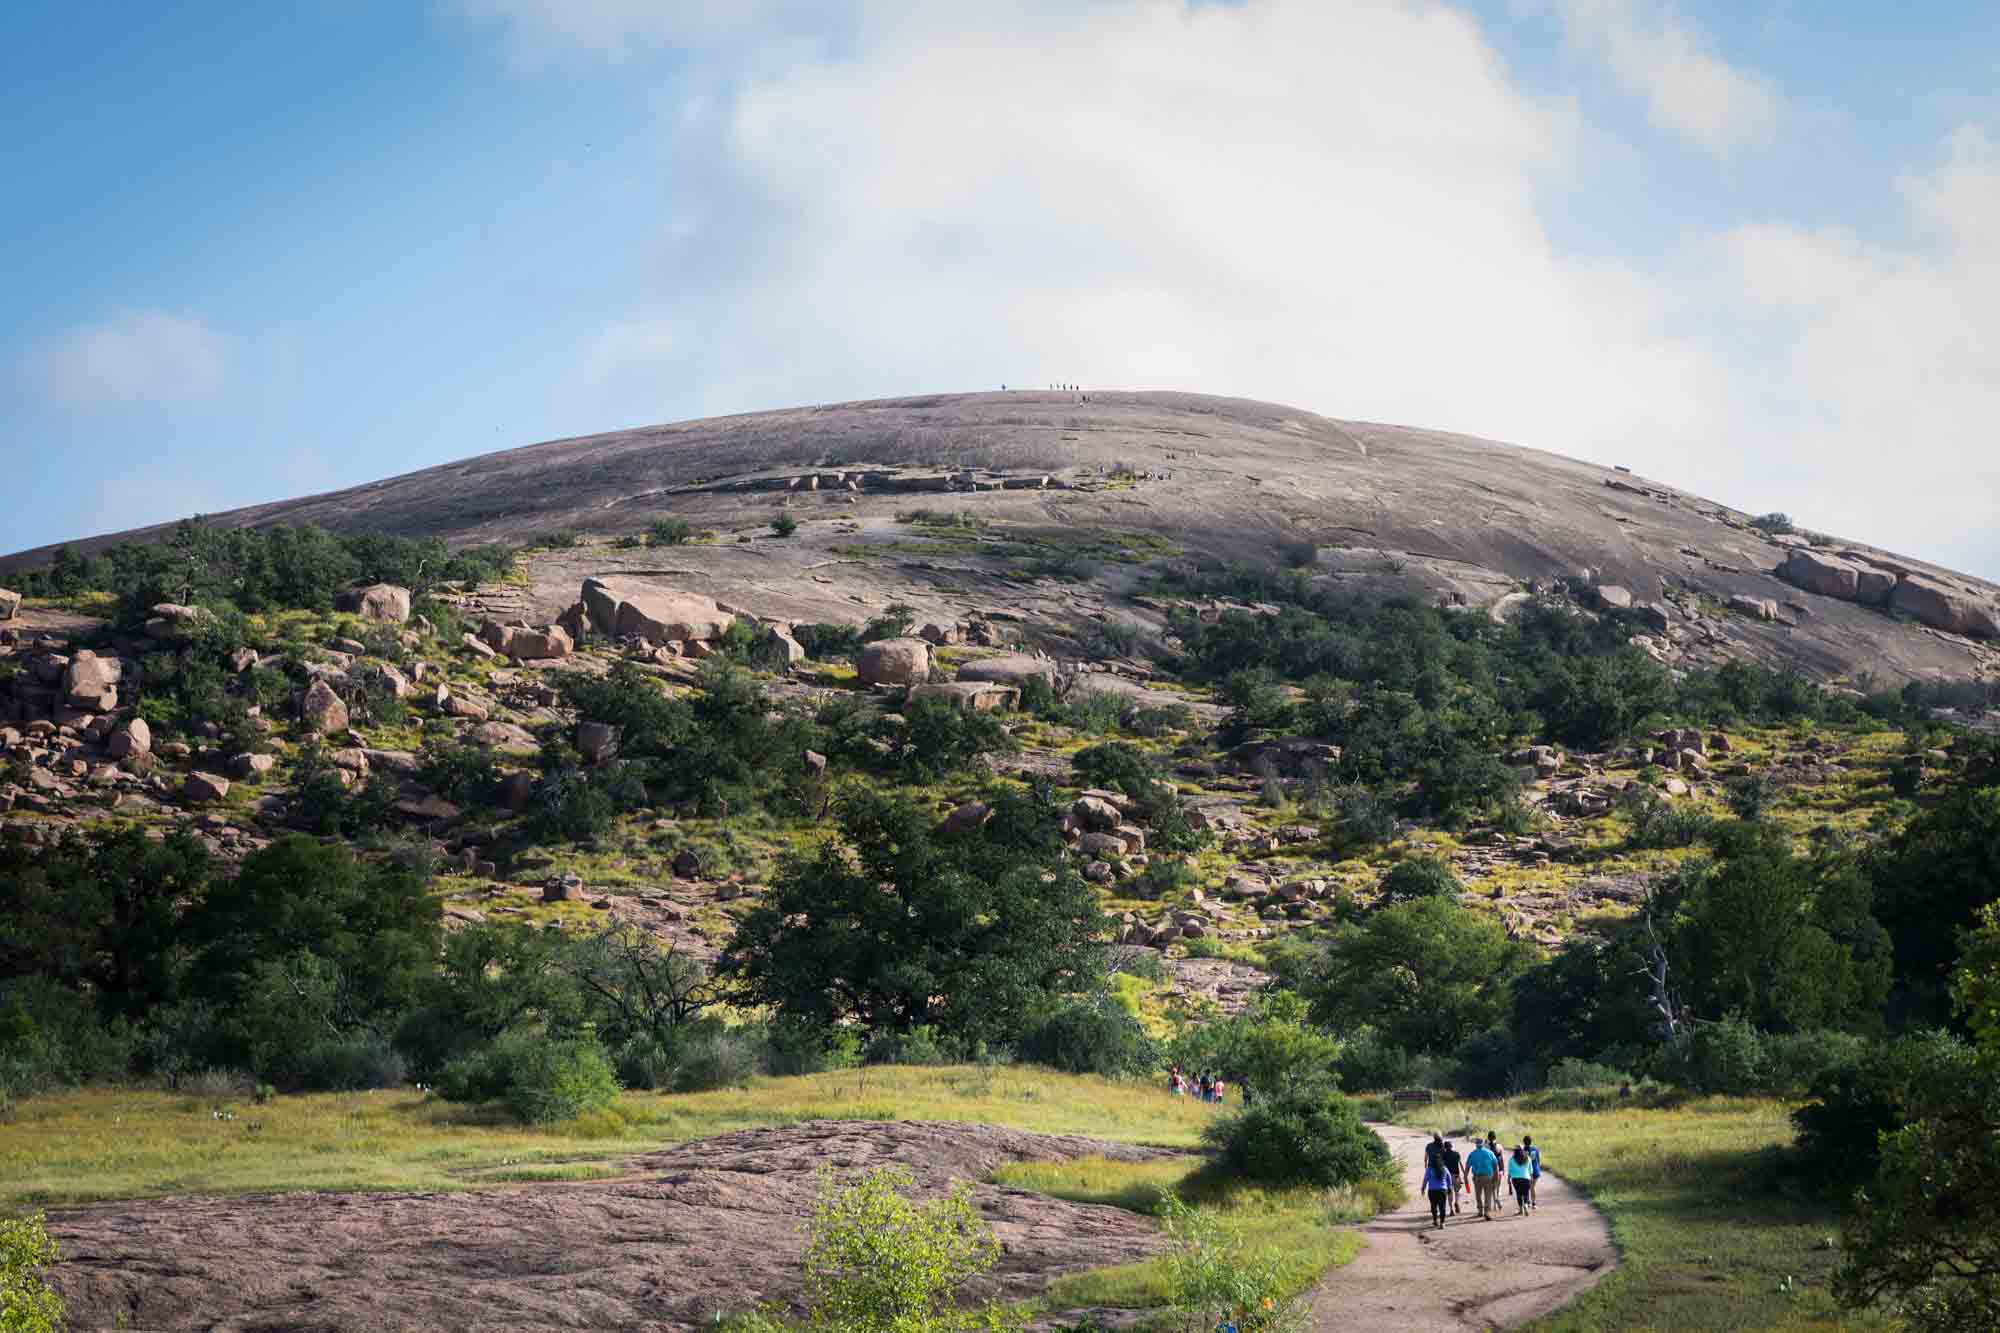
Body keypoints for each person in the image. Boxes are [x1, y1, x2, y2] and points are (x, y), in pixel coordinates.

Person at [1465, 1137, 1500, 1219]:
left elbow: (1467, 1167)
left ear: (1476, 1144)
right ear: (1483, 1144)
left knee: (1478, 1194)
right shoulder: (1490, 1153)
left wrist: (1465, 1177)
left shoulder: (1472, 1154)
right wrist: (1496, 1177)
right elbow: (1496, 1166)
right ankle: (1487, 1212)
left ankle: (1480, 1211)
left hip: (1477, 1177)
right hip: (1488, 1177)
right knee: (1488, 1194)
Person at [1422, 1154, 1454, 1230]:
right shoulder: (1444, 1168)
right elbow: (1449, 1179)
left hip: (1432, 1191)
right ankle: (1442, 1223)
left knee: (1433, 1206)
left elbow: (1425, 1180)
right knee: (1442, 1207)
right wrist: (1449, 1188)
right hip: (1443, 1190)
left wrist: (1423, 1188)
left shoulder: (1429, 1169)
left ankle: (1435, 1220)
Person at [1508, 1145, 1534, 1216]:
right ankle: (1525, 1205)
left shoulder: (1511, 1159)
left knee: (1519, 1194)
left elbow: (1510, 1171)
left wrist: (1508, 1179)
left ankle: (1521, 1210)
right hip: (1526, 1179)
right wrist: (1531, 1179)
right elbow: (1531, 1170)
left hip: (1516, 1179)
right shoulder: (1528, 1158)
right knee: (1525, 1193)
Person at [1440, 1138, 1464, 1216]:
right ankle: (1457, 1202)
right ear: (1451, 1146)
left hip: (1447, 1176)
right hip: (1456, 1175)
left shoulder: (1443, 1155)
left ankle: (1451, 1209)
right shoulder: (1456, 1154)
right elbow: (1461, 1164)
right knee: (1458, 1191)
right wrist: (1464, 1174)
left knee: (1449, 1193)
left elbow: (1442, 1166)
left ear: (1444, 1147)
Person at [1523, 1134, 1542, 1210]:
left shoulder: (1523, 1150)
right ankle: (1533, 1203)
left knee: (1527, 1187)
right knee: (1533, 1187)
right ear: (1531, 1142)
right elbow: (1538, 1160)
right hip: (1535, 1170)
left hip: (1527, 1171)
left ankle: (1528, 1202)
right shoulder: (1535, 1149)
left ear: (1524, 1142)